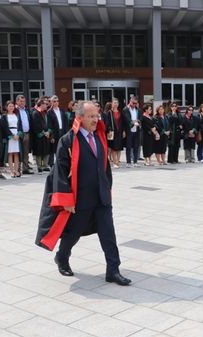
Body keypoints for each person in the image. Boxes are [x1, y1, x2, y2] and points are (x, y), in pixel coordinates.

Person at [35, 101, 131, 286]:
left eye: (97, 115)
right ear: (80, 118)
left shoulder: (100, 137)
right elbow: (60, 172)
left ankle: (113, 270)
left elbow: (105, 167)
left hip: (101, 198)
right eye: (91, 116)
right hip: (80, 199)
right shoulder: (68, 141)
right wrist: (66, 200)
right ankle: (62, 257)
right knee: (73, 234)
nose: (96, 120)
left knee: (108, 235)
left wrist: (107, 188)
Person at [30, 97, 52, 173]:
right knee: (39, 151)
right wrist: (44, 132)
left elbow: (49, 123)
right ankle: (39, 166)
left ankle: (45, 165)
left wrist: (48, 131)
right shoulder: (35, 113)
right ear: (41, 105)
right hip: (39, 135)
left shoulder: (46, 113)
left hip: (46, 134)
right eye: (45, 104)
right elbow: (36, 125)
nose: (46, 105)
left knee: (46, 150)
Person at [48, 95, 69, 169]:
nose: (56, 103)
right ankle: (53, 163)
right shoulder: (49, 112)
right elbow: (49, 125)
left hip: (62, 131)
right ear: (51, 102)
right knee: (54, 148)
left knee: (62, 147)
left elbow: (66, 122)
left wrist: (67, 132)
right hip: (55, 132)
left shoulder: (62, 111)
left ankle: (61, 162)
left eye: (57, 101)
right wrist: (52, 136)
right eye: (54, 101)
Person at [3, 101, 23, 178]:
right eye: (9, 106)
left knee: (16, 153)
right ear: (6, 107)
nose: (11, 107)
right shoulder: (5, 116)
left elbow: (20, 126)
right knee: (10, 153)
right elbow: (4, 127)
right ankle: (11, 171)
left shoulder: (17, 115)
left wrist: (18, 135)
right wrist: (11, 135)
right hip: (10, 135)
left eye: (12, 106)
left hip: (16, 134)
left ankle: (16, 170)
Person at [103, 98, 124, 168]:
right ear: (112, 104)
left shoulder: (120, 112)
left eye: (117, 103)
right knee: (114, 147)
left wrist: (124, 131)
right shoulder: (109, 112)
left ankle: (118, 161)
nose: (116, 104)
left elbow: (123, 122)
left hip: (120, 131)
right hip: (112, 131)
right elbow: (107, 122)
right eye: (114, 103)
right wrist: (109, 130)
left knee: (119, 147)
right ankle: (114, 162)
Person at [16, 95, 34, 174]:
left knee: (26, 152)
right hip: (19, 134)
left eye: (23, 101)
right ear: (17, 102)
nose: (22, 103)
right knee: (19, 152)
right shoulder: (15, 111)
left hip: (27, 133)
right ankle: (17, 169)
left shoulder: (26, 111)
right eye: (20, 101)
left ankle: (25, 169)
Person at [122, 97, 140, 167]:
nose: (134, 104)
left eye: (136, 103)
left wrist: (138, 122)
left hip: (136, 130)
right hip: (129, 130)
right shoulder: (125, 109)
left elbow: (140, 118)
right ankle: (128, 162)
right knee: (128, 146)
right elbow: (127, 119)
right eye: (133, 103)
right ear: (130, 101)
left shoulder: (138, 110)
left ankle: (135, 162)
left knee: (136, 146)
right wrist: (133, 123)